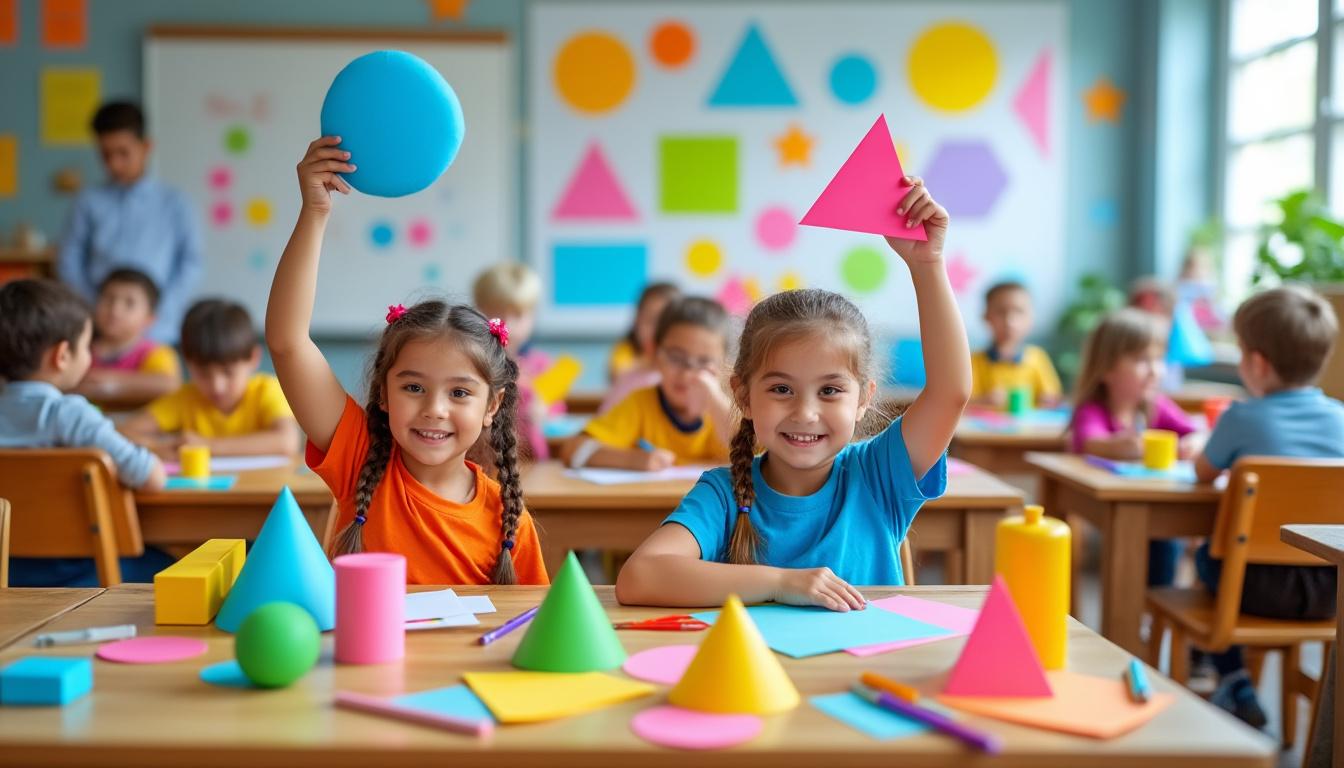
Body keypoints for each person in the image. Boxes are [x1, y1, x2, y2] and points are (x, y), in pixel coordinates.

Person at [616, 178, 968, 608]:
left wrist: (927, 264)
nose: (805, 412)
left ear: (863, 400)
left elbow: (951, 392)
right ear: (742, 395)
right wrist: (781, 583)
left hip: (863, 671)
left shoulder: (878, 475)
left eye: (830, 391)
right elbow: (640, 576)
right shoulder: (724, 493)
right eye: (782, 388)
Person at [265, 137, 547, 584]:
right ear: (383, 392)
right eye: (413, 387)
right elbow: (287, 342)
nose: (434, 408)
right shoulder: (358, 459)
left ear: (492, 405)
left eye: (459, 392)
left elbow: (528, 626)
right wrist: (315, 213)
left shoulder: (508, 519)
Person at [1192, 286, 1344, 727]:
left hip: (1252, 587)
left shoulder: (1240, 417)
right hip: (1330, 590)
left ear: (1257, 364)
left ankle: (1232, 675)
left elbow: (1203, 473)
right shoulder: (1342, 419)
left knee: (1209, 556)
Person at [0, 278, 170, 587]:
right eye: (87, 346)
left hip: (8, 574)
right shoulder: (68, 414)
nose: (90, 357)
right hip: (85, 575)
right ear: (62, 355)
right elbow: (151, 477)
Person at [57, 101, 202, 342]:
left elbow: (191, 263)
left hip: (156, 331)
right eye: (105, 155)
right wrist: (101, 309)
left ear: (146, 147)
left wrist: (153, 311)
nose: (114, 164)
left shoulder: (175, 203)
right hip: (101, 330)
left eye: (123, 153)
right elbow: (69, 259)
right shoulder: (87, 202)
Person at [561, 297, 733, 471]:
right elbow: (572, 450)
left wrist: (715, 399)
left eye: (704, 362)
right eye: (676, 357)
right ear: (655, 355)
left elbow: (754, 449)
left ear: (724, 366)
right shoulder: (640, 405)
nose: (687, 374)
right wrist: (634, 460)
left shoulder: (729, 408)